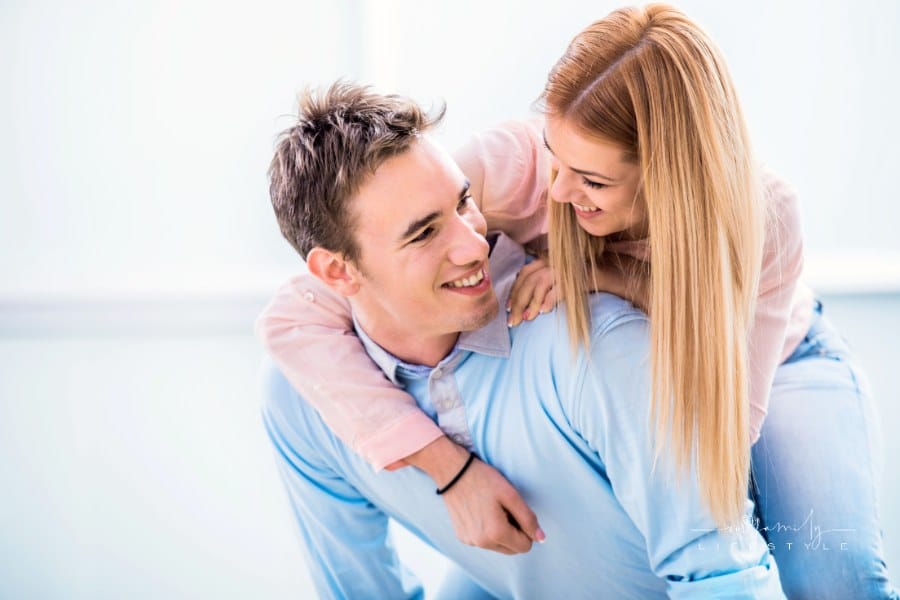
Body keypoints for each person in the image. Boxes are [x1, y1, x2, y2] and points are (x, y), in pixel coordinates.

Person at [259, 5, 897, 598]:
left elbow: (725, 434)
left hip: (767, 364)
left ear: (670, 175)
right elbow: (299, 310)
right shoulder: (513, 168)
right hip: (623, 385)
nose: (559, 191)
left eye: (592, 180)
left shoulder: (764, 217)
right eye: (555, 157)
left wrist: (609, 276)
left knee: (833, 576)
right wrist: (450, 470)